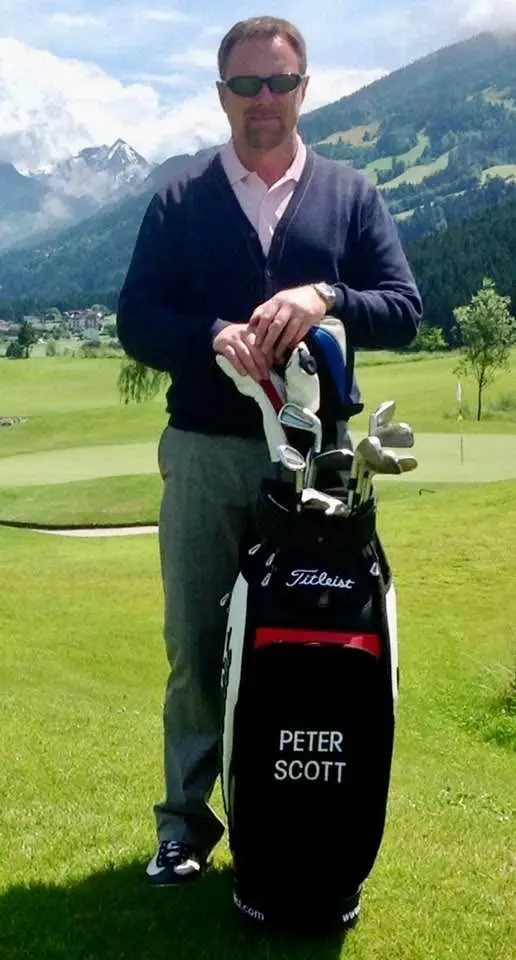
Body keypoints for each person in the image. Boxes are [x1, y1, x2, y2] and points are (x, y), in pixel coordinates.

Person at [116, 15, 423, 887]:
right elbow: (137, 319)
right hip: (205, 452)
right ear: (222, 95)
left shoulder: (351, 195)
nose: (264, 100)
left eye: (279, 83)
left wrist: (327, 296)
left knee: (318, 640)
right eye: (246, 84)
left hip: (322, 463)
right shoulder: (179, 201)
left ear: (304, 89)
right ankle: (185, 826)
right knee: (195, 642)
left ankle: (302, 818)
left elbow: (403, 308)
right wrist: (212, 334)